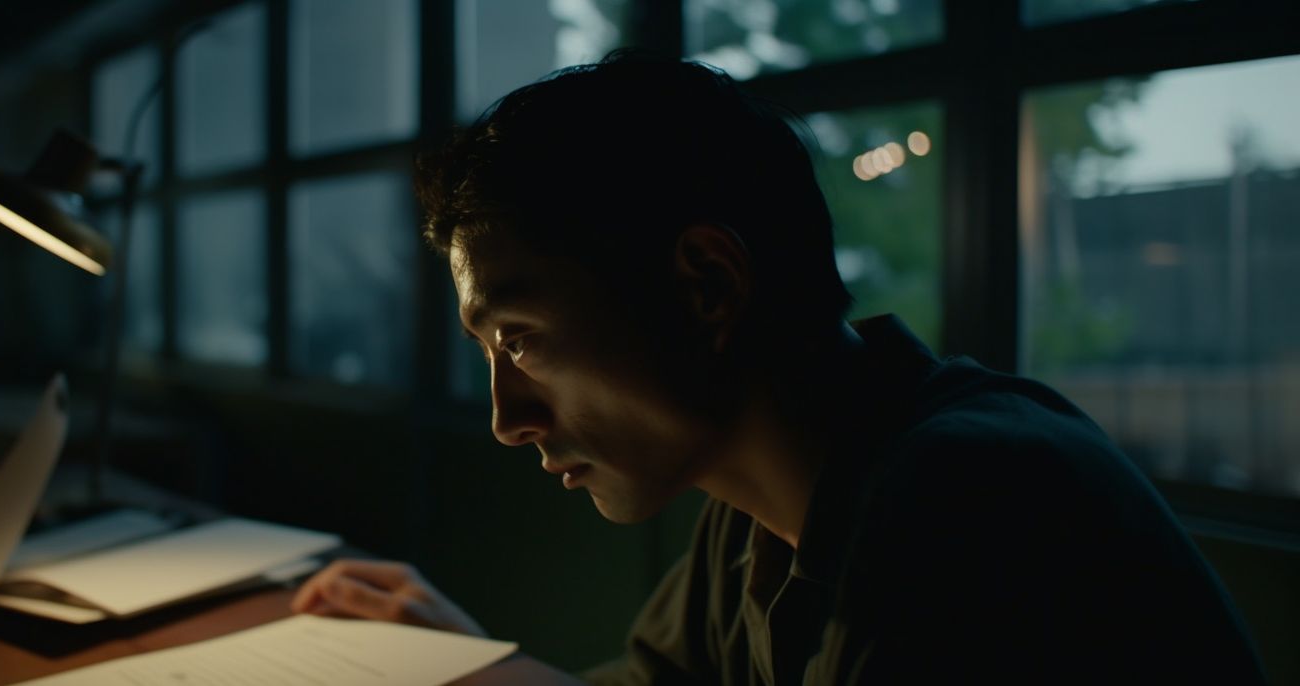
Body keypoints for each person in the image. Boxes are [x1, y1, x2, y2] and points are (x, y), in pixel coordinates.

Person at [290, 52, 1266, 685]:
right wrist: (467, 654)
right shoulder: (759, 508)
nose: (508, 415)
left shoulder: (965, 497)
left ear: (706, 285)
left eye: (517, 337)